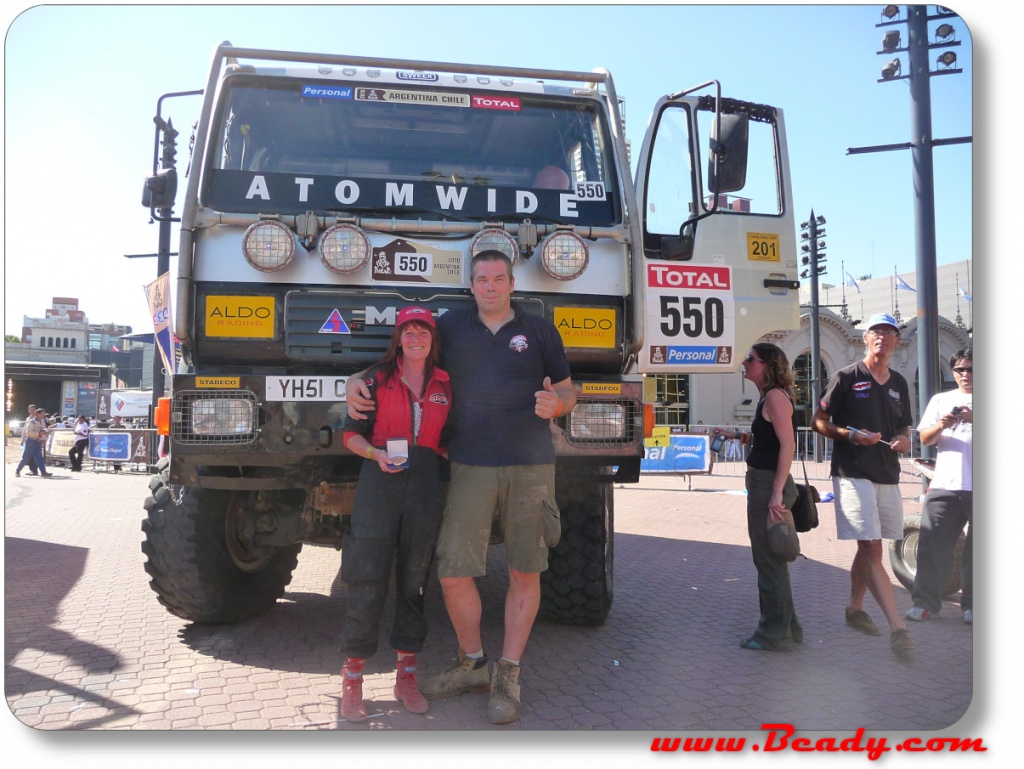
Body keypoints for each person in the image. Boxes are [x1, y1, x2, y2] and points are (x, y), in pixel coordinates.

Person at [347, 250, 576, 724]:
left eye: (498, 279)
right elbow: (407, 355)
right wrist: (356, 378)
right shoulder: (450, 327)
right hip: (469, 464)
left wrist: (558, 404)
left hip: (530, 464)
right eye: (481, 280)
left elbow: (570, 389)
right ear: (471, 286)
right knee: (452, 571)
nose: (489, 286)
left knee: (523, 571)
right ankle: (472, 664)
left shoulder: (539, 329)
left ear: (512, 283)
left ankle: (507, 674)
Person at [337, 305, 452, 723]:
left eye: (423, 332)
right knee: (367, 577)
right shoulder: (374, 379)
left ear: (432, 339)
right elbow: (349, 435)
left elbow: (445, 440)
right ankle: (352, 681)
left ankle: (406, 676)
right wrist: (376, 454)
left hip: (423, 482)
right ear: (398, 338)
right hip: (379, 479)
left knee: (415, 579)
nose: (416, 338)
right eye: (409, 331)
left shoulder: (444, 383)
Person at [811, 313, 914, 654]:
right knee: (871, 547)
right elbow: (818, 421)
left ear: (897, 342)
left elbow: (904, 428)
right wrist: (850, 435)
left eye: (890, 332)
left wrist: (903, 441)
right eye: (877, 332)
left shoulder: (899, 383)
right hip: (852, 471)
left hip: (887, 473)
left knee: (869, 545)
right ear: (866, 339)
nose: (883, 337)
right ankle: (897, 628)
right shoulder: (845, 377)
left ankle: (854, 609)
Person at [715, 344, 802, 650]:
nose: (744, 362)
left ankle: (773, 634)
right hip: (765, 482)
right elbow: (767, 440)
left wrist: (776, 493)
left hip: (767, 485)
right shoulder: (770, 396)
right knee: (772, 558)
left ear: (767, 364)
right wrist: (735, 435)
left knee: (768, 561)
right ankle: (789, 629)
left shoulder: (776, 396)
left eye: (750, 359)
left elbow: (787, 445)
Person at [905, 348, 973, 625]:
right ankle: (925, 604)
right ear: (953, 372)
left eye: (972, 369)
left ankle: (972, 606)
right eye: (960, 370)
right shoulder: (941, 400)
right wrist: (943, 425)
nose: (966, 375)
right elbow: (926, 439)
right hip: (946, 484)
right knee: (932, 547)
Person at [15, 407, 52, 478]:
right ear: (37, 414)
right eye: (42, 414)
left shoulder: (42, 421)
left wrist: (43, 439)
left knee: (39, 458)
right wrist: (39, 433)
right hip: (31, 441)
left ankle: (43, 472)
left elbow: (43, 431)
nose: (44, 415)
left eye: (44, 414)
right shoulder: (31, 422)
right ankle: (17, 471)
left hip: (37, 441)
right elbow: (28, 433)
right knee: (26, 458)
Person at [19, 405, 40, 475]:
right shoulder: (28, 419)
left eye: (33, 410)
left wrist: (42, 439)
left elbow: (42, 429)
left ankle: (35, 470)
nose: (32, 411)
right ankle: (33, 470)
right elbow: (25, 430)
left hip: (36, 439)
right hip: (29, 439)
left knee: (36, 456)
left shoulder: (38, 418)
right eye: (30, 410)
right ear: (28, 410)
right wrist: (22, 439)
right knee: (29, 455)